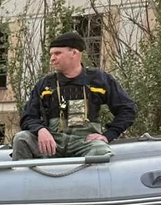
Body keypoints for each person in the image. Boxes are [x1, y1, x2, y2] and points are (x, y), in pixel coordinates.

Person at [12, 31, 137, 160]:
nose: (52, 58)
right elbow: (28, 116)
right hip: (53, 143)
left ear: (74, 53)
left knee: (101, 151)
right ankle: (24, 180)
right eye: (51, 54)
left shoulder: (99, 80)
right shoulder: (45, 84)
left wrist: (108, 134)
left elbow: (127, 109)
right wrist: (40, 130)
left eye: (57, 53)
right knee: (22, 139)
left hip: (84, 143)